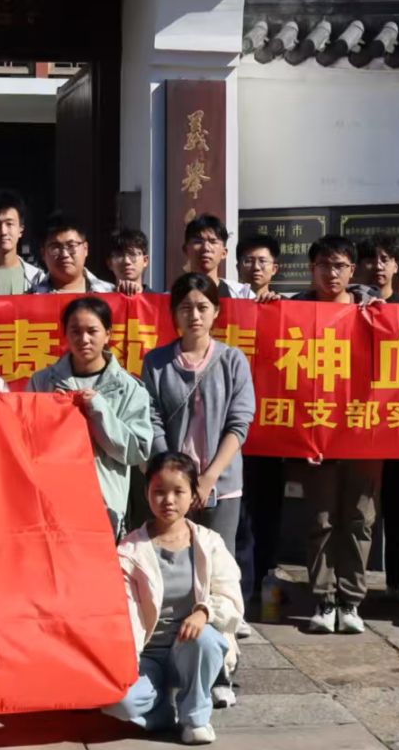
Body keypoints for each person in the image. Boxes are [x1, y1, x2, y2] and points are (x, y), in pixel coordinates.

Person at [108, 451, 242, 747]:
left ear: (193, 494)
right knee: (119, 704)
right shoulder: (129, 550)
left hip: (189, 648)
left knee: (205, 639)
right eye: (159, 491)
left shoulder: (209, 543)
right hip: (146, 655)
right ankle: (163, 713)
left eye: (178, 491)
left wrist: (203, 612)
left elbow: (231, 598)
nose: (168, 500)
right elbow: (124, 613)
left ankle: (195, 718)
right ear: (146, 492)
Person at [288, 236, 381, 636]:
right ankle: (324, 599)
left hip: (361, 431)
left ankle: (352, 601)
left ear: (352, 270)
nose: (332, 273)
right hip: (316, 433)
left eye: (340, 265)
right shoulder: (294, 311)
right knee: (321, 520)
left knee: (360, 519)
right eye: (324, 265)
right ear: (312, 269)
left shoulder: (372, 311)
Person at [142, 275, 255, 549]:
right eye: (185, 307)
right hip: (172, 488)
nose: (194, 315)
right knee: (173, 556)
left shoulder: (233, 360)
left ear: (216, 311)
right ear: (174, 313)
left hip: (222, 485)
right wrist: (173, 476)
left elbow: (239, 424)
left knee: (218, 560)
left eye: (202, 307)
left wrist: (209, 477)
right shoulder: (156, 362)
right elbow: (151, 420)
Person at [29, 296, 152, 535]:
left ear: (107, 334)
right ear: (65, 334)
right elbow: (27, 439)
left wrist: (99, 410)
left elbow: (136, 451)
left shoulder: (129, 388)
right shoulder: (42, 382)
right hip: (54, 505)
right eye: (75, 331)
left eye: (92, 331)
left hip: (106, 507)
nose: (83, 339)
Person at [357, 235, 399, 601]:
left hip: (398, 422)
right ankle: (351, 586)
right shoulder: (347, 306)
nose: (378, 265)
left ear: (396, 265)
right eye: (371, 259)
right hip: (354, 422)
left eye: (386, 258)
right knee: (357, 510)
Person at [34, 215, 115, 294]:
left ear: (85, 249)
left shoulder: (111, 293)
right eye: (55, 247)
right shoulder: (31, 297)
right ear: (43, 253)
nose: (64, 254)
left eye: (71, 246)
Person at [183, 215, 256, 301]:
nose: (206, 248)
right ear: (186, 250)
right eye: (198, 241)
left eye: (213, 241)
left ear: (224, 253)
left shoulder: (242, 295)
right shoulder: (173, 296)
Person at [235, 235, 284, 302]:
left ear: (274, 269)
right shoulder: (227, 303)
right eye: (249, 261)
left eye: (262, 261)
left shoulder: (285, 304)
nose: (256, 267)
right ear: (238, 268)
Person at [108, 228, 152, 296]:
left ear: (145, 261)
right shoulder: (101, 301)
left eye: (132, 254)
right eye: (119, 255)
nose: (126, 261)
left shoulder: (159, 300)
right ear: (110, 263)